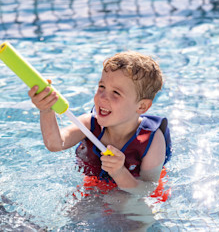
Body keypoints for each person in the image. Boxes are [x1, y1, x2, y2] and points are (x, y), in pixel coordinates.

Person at [28, 51, 171, 195]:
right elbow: (55, 144)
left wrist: (120, 173)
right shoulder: (89, 124)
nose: (102, 97)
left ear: (141, 107)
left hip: (134, 195)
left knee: (128, 207)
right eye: (101, 87)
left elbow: (147, 189)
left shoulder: (152, 140)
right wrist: (46, 110)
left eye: (116, 92)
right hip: (94, 187)